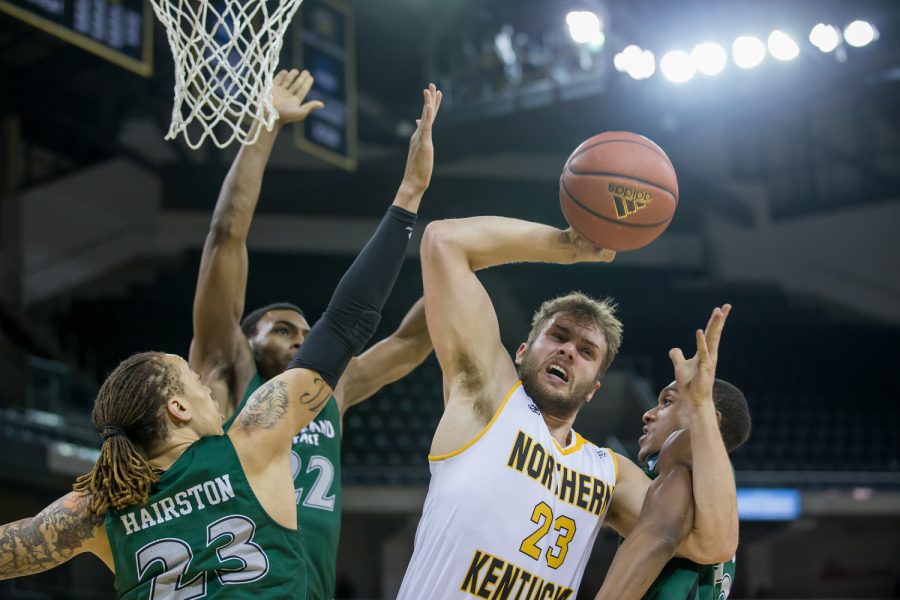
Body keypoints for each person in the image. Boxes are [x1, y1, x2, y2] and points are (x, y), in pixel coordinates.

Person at [0, 82, 441, 598]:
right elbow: (342, 321)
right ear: (178, 408)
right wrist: (410, 195)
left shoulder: (100, 505)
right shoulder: (251, 436)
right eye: (194, 383)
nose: (206, 390)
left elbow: (13, 546)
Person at [189, 70, 436, 598]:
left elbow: (413, 342)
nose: (302, 339)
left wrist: (467, 258)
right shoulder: (226, 371)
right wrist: (265, 127)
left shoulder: (330, 392)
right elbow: (226, 234)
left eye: (305, 330)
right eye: (281, 330)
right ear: (246, 341)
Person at [397, 218, 738, 598]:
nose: (568, 350)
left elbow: (714, 544)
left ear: (594, 388)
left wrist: (702, 404)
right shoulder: (489, 399)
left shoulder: (608, 473)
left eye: (586, 351)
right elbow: (443, 241)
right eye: (558, 336)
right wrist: (567, 246)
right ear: (522, 352)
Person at [595, 376, 752, 600]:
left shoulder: (688, 471)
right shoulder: (717, 494)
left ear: (707, 420)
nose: (648, 414)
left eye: (667, 402)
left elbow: (686, 444)